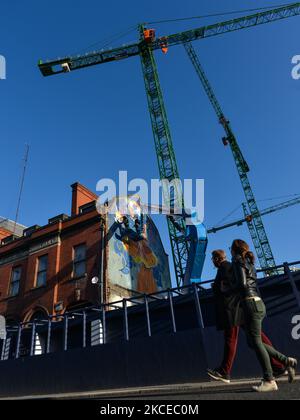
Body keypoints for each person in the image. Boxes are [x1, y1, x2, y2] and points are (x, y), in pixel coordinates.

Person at [207, 250, 286, 384]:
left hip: (232, 310)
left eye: (213, 258)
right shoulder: (228, 267)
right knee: (258, 337)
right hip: (240, 308)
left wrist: (218, 287)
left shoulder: (224, 267)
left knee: (231, 339)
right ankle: (279, 366)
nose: (212, 261)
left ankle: (224, 372)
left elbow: (230, 285)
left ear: (217, 259)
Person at [231, 239, 298, 392]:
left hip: (249, 303)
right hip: (257, 303)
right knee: (253, 342)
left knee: (255, 341)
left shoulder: (238, 262)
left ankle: (269, 379)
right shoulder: (250, 264)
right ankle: (286, 361)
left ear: (234, 250)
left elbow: (241, 284)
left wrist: (227, 288)